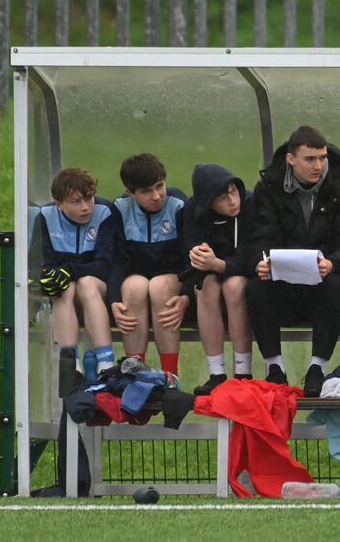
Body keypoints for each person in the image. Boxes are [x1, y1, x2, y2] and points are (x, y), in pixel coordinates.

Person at [246, 126, 340, 397]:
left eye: (322, 158)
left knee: (336, 286)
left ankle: (317, 369)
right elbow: (258, 235)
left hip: (323, 278)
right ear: (291, 159)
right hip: (281, 280)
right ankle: (274, 367)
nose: (319, 165)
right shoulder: (269, 188)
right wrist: (261, 262)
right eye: (310, 159)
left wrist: (333, 263)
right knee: (256, 286)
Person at [110, 153, 190, 379]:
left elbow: (191, 258)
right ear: (130, 193)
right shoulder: (120, 209)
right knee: (136, 287)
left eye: (160, 186)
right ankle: (134, 375)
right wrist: (114, 300)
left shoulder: (179, 205)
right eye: (146, 191)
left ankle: (170, 378)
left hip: (172, 280)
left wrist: (186, 295)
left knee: (158, 286)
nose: (156, 196)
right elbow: (116, 260)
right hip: (136, 280)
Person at [38, 167, 121, 383]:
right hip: (66, 296)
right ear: (59, 204)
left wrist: (71, 270)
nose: (85, 208)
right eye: (76, 202)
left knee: (85, 284)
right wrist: (50, 276)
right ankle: (70, 364)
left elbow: (105, 265)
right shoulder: (45, 217)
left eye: (89, 199)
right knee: (62, 286)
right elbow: (45, 263)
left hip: (98, 290)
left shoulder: (105, 212)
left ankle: (106, 363)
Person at [181, 163, 256, 396]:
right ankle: (217, 374)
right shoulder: (192, 211)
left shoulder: (251, 204)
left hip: (243, 275)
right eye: (223, 197)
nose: (233, 200)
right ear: (208, 201)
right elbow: (191, 258)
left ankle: (243, 374)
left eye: (234, 191)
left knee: (234, 286)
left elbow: (252, 257)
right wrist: (201, 263)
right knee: (204, 286)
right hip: (211, 276)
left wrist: (219, 265)